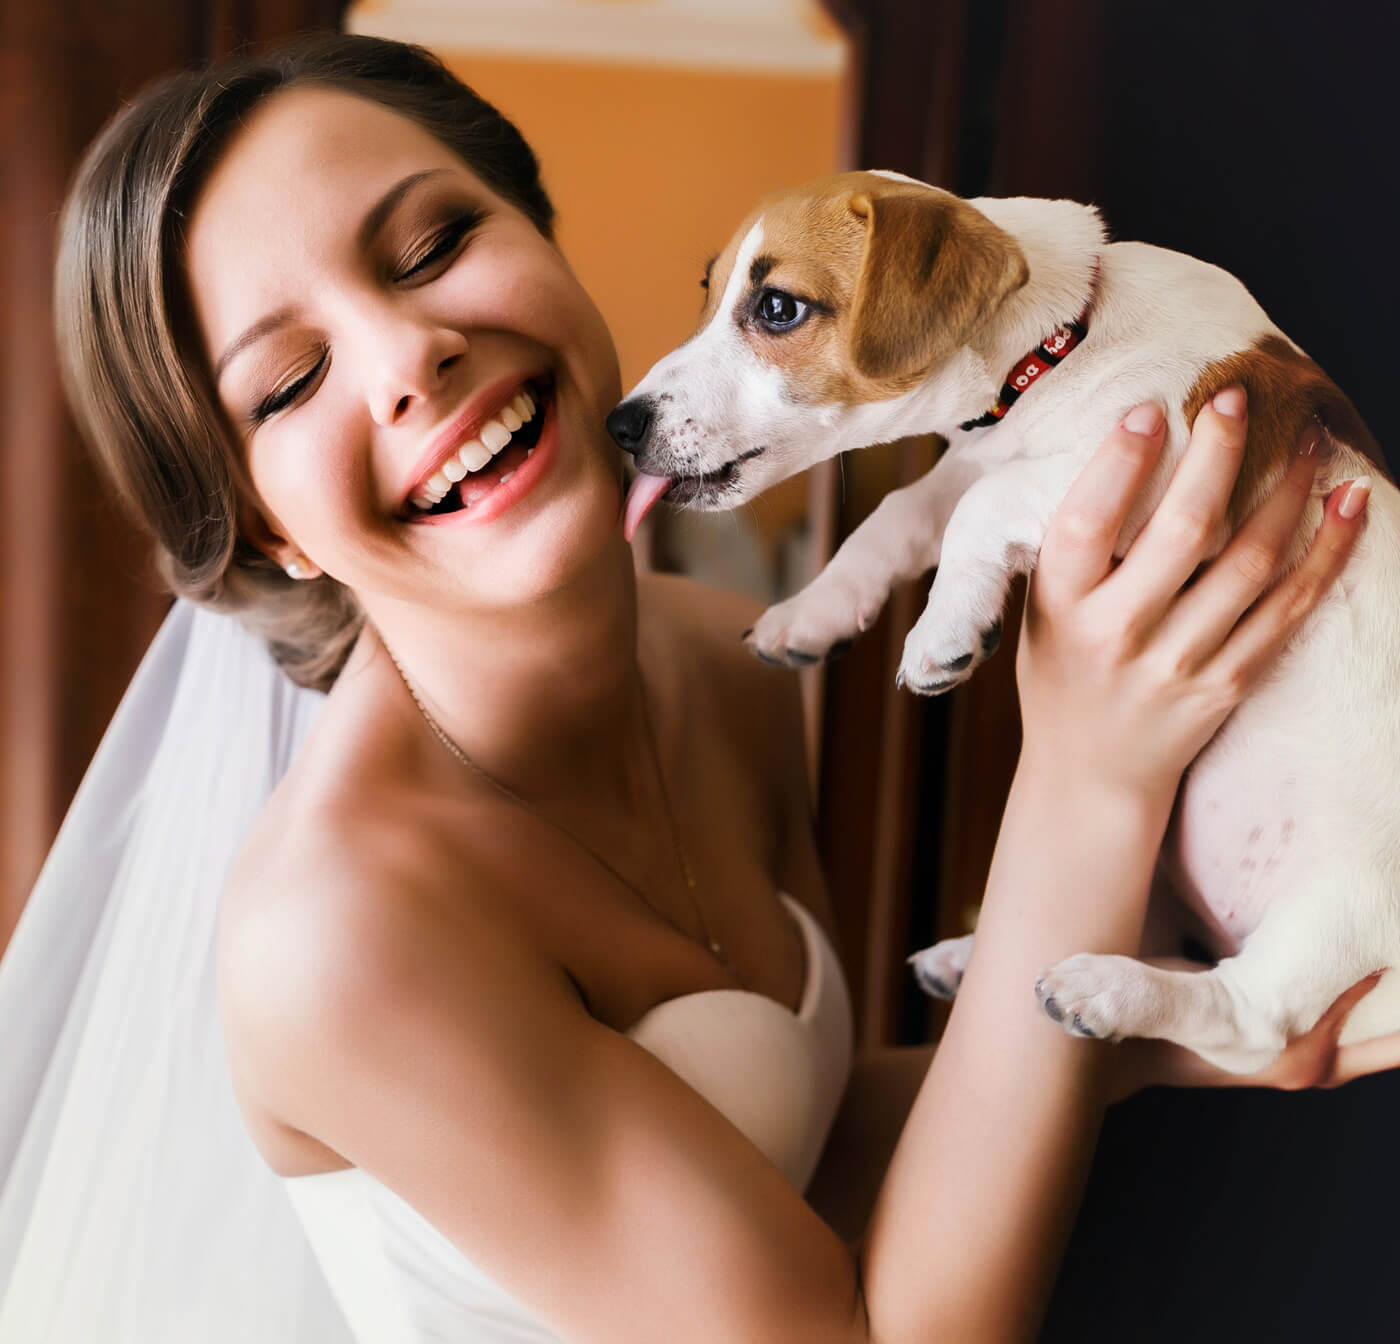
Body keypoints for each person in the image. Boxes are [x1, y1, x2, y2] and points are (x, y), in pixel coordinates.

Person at [0, 31, 1382, 1344]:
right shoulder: (338, 934)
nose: (407, 354)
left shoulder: (729, 663)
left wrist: (1226, 1036)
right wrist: (1090, 775)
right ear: (265, 534)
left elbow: (802, 1153)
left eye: (434, 248)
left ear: (545, 239)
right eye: (289, 381)